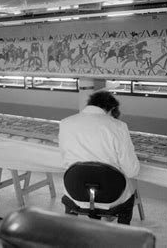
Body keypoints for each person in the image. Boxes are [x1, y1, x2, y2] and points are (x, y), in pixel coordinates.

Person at [59, 91, 140, 224]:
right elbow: (132, 171)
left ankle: (69, 235)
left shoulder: (65, 123)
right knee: (129, 195)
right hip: (111, 196)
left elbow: (64, 159)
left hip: (75, 192)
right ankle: (123, 236)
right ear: (112, 109)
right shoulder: (118, 127)